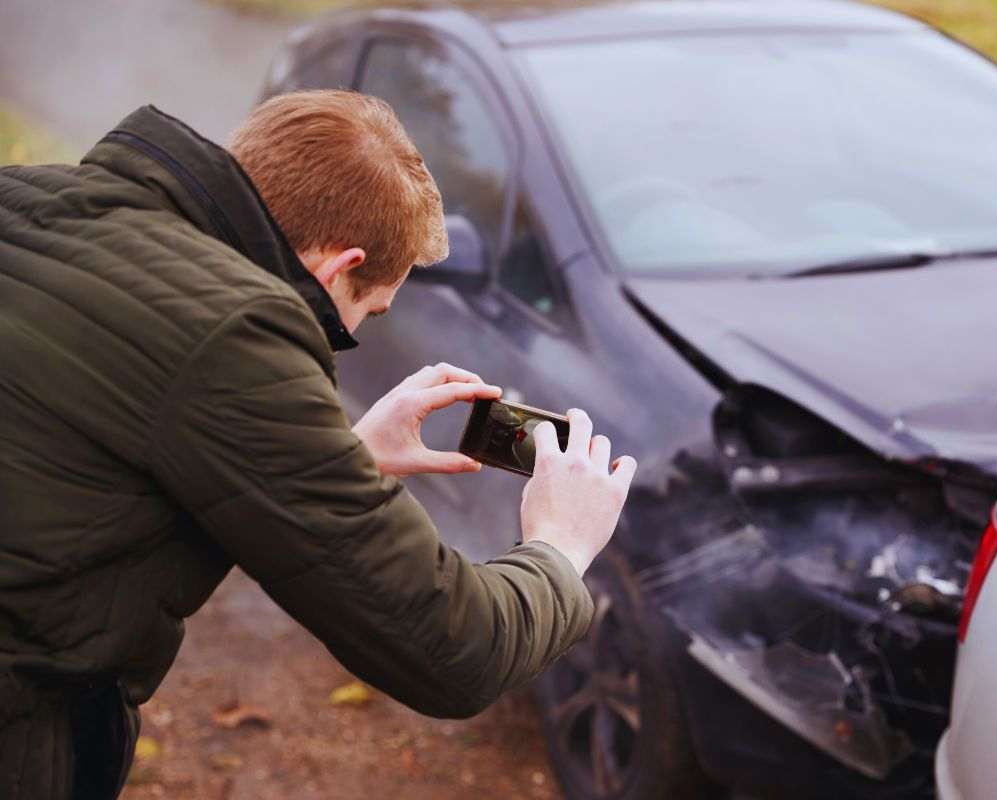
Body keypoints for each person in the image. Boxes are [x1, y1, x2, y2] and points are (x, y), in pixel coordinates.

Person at [0, 90, 636, 800]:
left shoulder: (26, 200)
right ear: (339, 268)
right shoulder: (233, 337)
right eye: (364, 312)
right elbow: (454, 650)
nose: (353, 331)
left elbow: (102, 448)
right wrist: (560, 546)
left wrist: (338, 457)